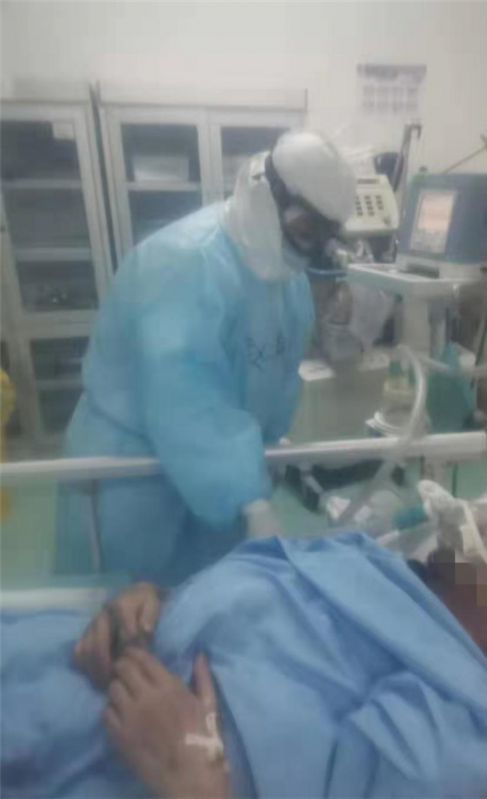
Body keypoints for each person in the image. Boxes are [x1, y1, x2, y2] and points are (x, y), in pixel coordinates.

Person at [2, 489, 487, 798]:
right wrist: (149, 601)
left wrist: (195, 781)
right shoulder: (366, 559)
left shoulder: (460, 722)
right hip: (51, 666)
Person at [55, 131, 356, 585]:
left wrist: (264, 458)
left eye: (324, 238)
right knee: (126, 611)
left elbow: (277, 375)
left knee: (209, 603)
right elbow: (184, 394)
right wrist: (248, 498)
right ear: (265, 195)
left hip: (220, 473)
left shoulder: (285, 278)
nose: (312, 249)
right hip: (135, 477)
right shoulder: (184, 263)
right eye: (304, 232)